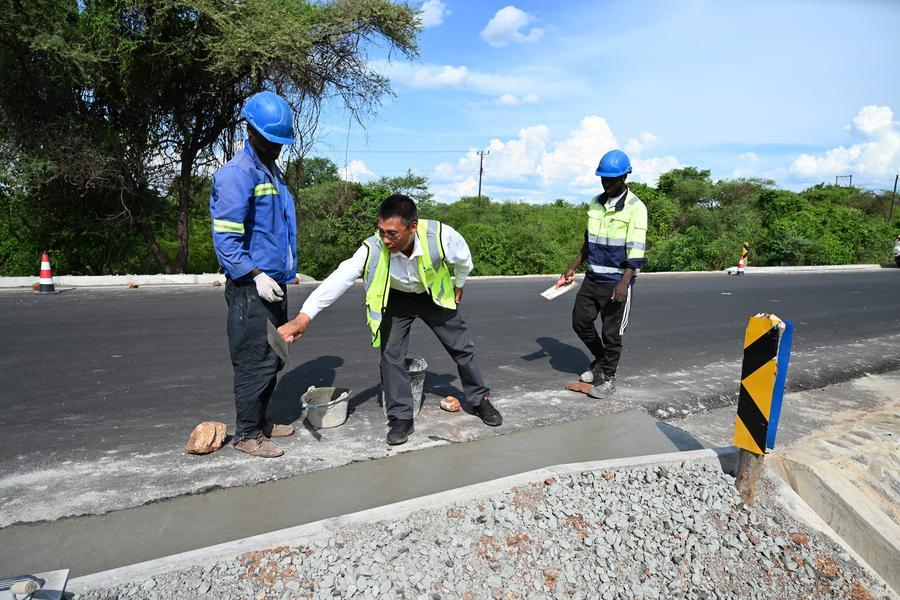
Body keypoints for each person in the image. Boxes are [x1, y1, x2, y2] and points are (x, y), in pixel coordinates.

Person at [277, 194, 502, 445]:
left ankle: (479, 400)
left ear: (413, 227)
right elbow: (340, 278)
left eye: (392, 233)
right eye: (382, 231)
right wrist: (304, 317)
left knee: (461, 347)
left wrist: (459, 284)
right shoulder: (372, 248)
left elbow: (464, 261)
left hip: (431, 295)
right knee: (390, 357)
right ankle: (401, 418)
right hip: (396, 298)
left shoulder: (441, 236)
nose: (386, 239)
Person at [210, 91, 298, 458]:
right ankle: (247, 434)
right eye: (270, 140)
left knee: (274, 355)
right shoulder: (236, 175)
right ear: (251, 131)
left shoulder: (270, 171)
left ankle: (261, 420)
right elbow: (226, 240)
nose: (277, 147)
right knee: (254, 358)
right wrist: (256, 274)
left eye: (281, 141)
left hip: (273, 283)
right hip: (251, 288)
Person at [556, 149, 647, 399]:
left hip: (617, 282)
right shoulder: (595, 203)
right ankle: (600, 360)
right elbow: (589, 242)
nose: (607, 184)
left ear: (625, 177)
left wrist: (624, 284)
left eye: (612, 179)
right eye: (603, 179)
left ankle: (609, 377)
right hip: (593, 277)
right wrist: (573, 266)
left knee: (611, 333)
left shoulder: (636, 208)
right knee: (580, 322)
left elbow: (637, 249)